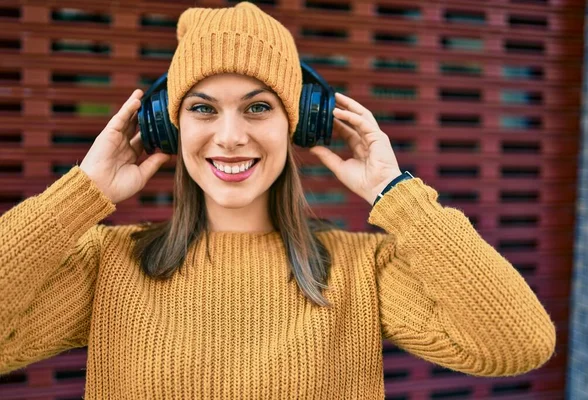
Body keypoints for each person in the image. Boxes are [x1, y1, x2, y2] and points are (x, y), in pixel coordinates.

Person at [0, 2, 555, 399]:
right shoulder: (109, 264)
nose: (231, 136)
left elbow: (515, 345)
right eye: (203, 108)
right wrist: (81, 194)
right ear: (167, 128)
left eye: (258, 107)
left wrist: (397, 194)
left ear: (300, 123)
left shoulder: (362, 269)